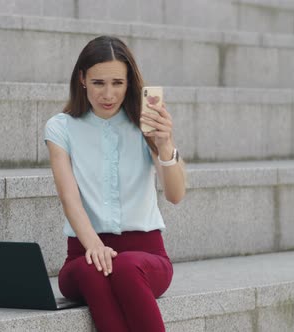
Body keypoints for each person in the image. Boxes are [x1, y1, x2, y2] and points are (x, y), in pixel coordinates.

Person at [44, 35, 186, 332]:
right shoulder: (61, 127)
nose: (108, 94)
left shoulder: (144, 123)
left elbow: (175, 195)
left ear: (129, 83)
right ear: (82, 79)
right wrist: (95, 246)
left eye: (117, 83)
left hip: (147, 258)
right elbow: (70, 198)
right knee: (94, 267)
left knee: (123, 267)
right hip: (83, 254)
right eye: (98, 83)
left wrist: (165, 144)